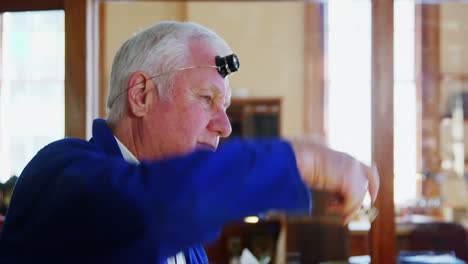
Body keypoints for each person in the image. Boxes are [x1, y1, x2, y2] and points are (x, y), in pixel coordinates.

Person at [0, 21, 379, 263]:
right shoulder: (60, 173)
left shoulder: (183, 221)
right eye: (206, 99)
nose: (225, 126)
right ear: (142, 94)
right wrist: (303, 161)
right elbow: (148, 208)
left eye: (225, 106)